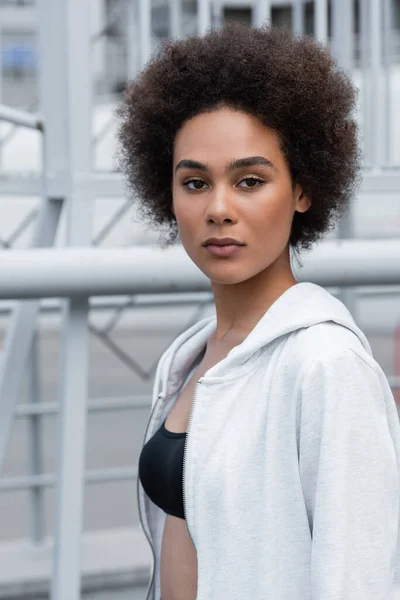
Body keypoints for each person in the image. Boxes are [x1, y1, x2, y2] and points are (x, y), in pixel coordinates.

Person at [116, 22, 400, 600]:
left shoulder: (326, 364)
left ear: (302, 189)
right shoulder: (196, 354)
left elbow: (359, 580)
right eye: (194, 183)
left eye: (249, 180)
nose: (218, 209)